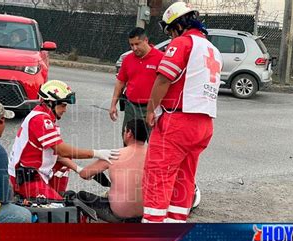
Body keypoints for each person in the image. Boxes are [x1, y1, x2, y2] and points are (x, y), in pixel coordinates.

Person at [142, 1, 223, 223]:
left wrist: (151, 109)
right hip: (204, 123)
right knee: (184, 177)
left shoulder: (183, 43)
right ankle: (175, 225)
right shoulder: (213, 49)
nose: (170, 35)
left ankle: (152, 228)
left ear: (177, 25)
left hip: (178, 119)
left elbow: (164, 78)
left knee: (158, 174)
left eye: (170, 30)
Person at [8, 80, 119, 201]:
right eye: (63, 105)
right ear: (50, 102)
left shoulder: (45, 116)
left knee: (65, 164)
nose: (65, 110)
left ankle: (55, 194)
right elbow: (62, 150)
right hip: (26, 180)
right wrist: (96, 153)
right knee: (60, 209)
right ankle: (51, 199)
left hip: (32, 173)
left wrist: (79, 169)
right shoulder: (40, 119)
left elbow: (58, 155)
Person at [76, 119, 148, 223]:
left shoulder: (114, 154)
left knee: (80, 196)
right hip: (146, 213)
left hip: (119, 215)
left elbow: (84, 174)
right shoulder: (154, 155)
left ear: (129, 133)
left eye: (124, 131)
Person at [109, 27, 163, 138]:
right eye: (131, 45)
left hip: (151, 108)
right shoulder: (128, 59)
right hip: (131, 107)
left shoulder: (160, 58)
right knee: (128, 139)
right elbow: (120, 82)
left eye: (137, 44)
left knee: (153, 142)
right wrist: (113, 105)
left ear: (146, 40)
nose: (134, 48)